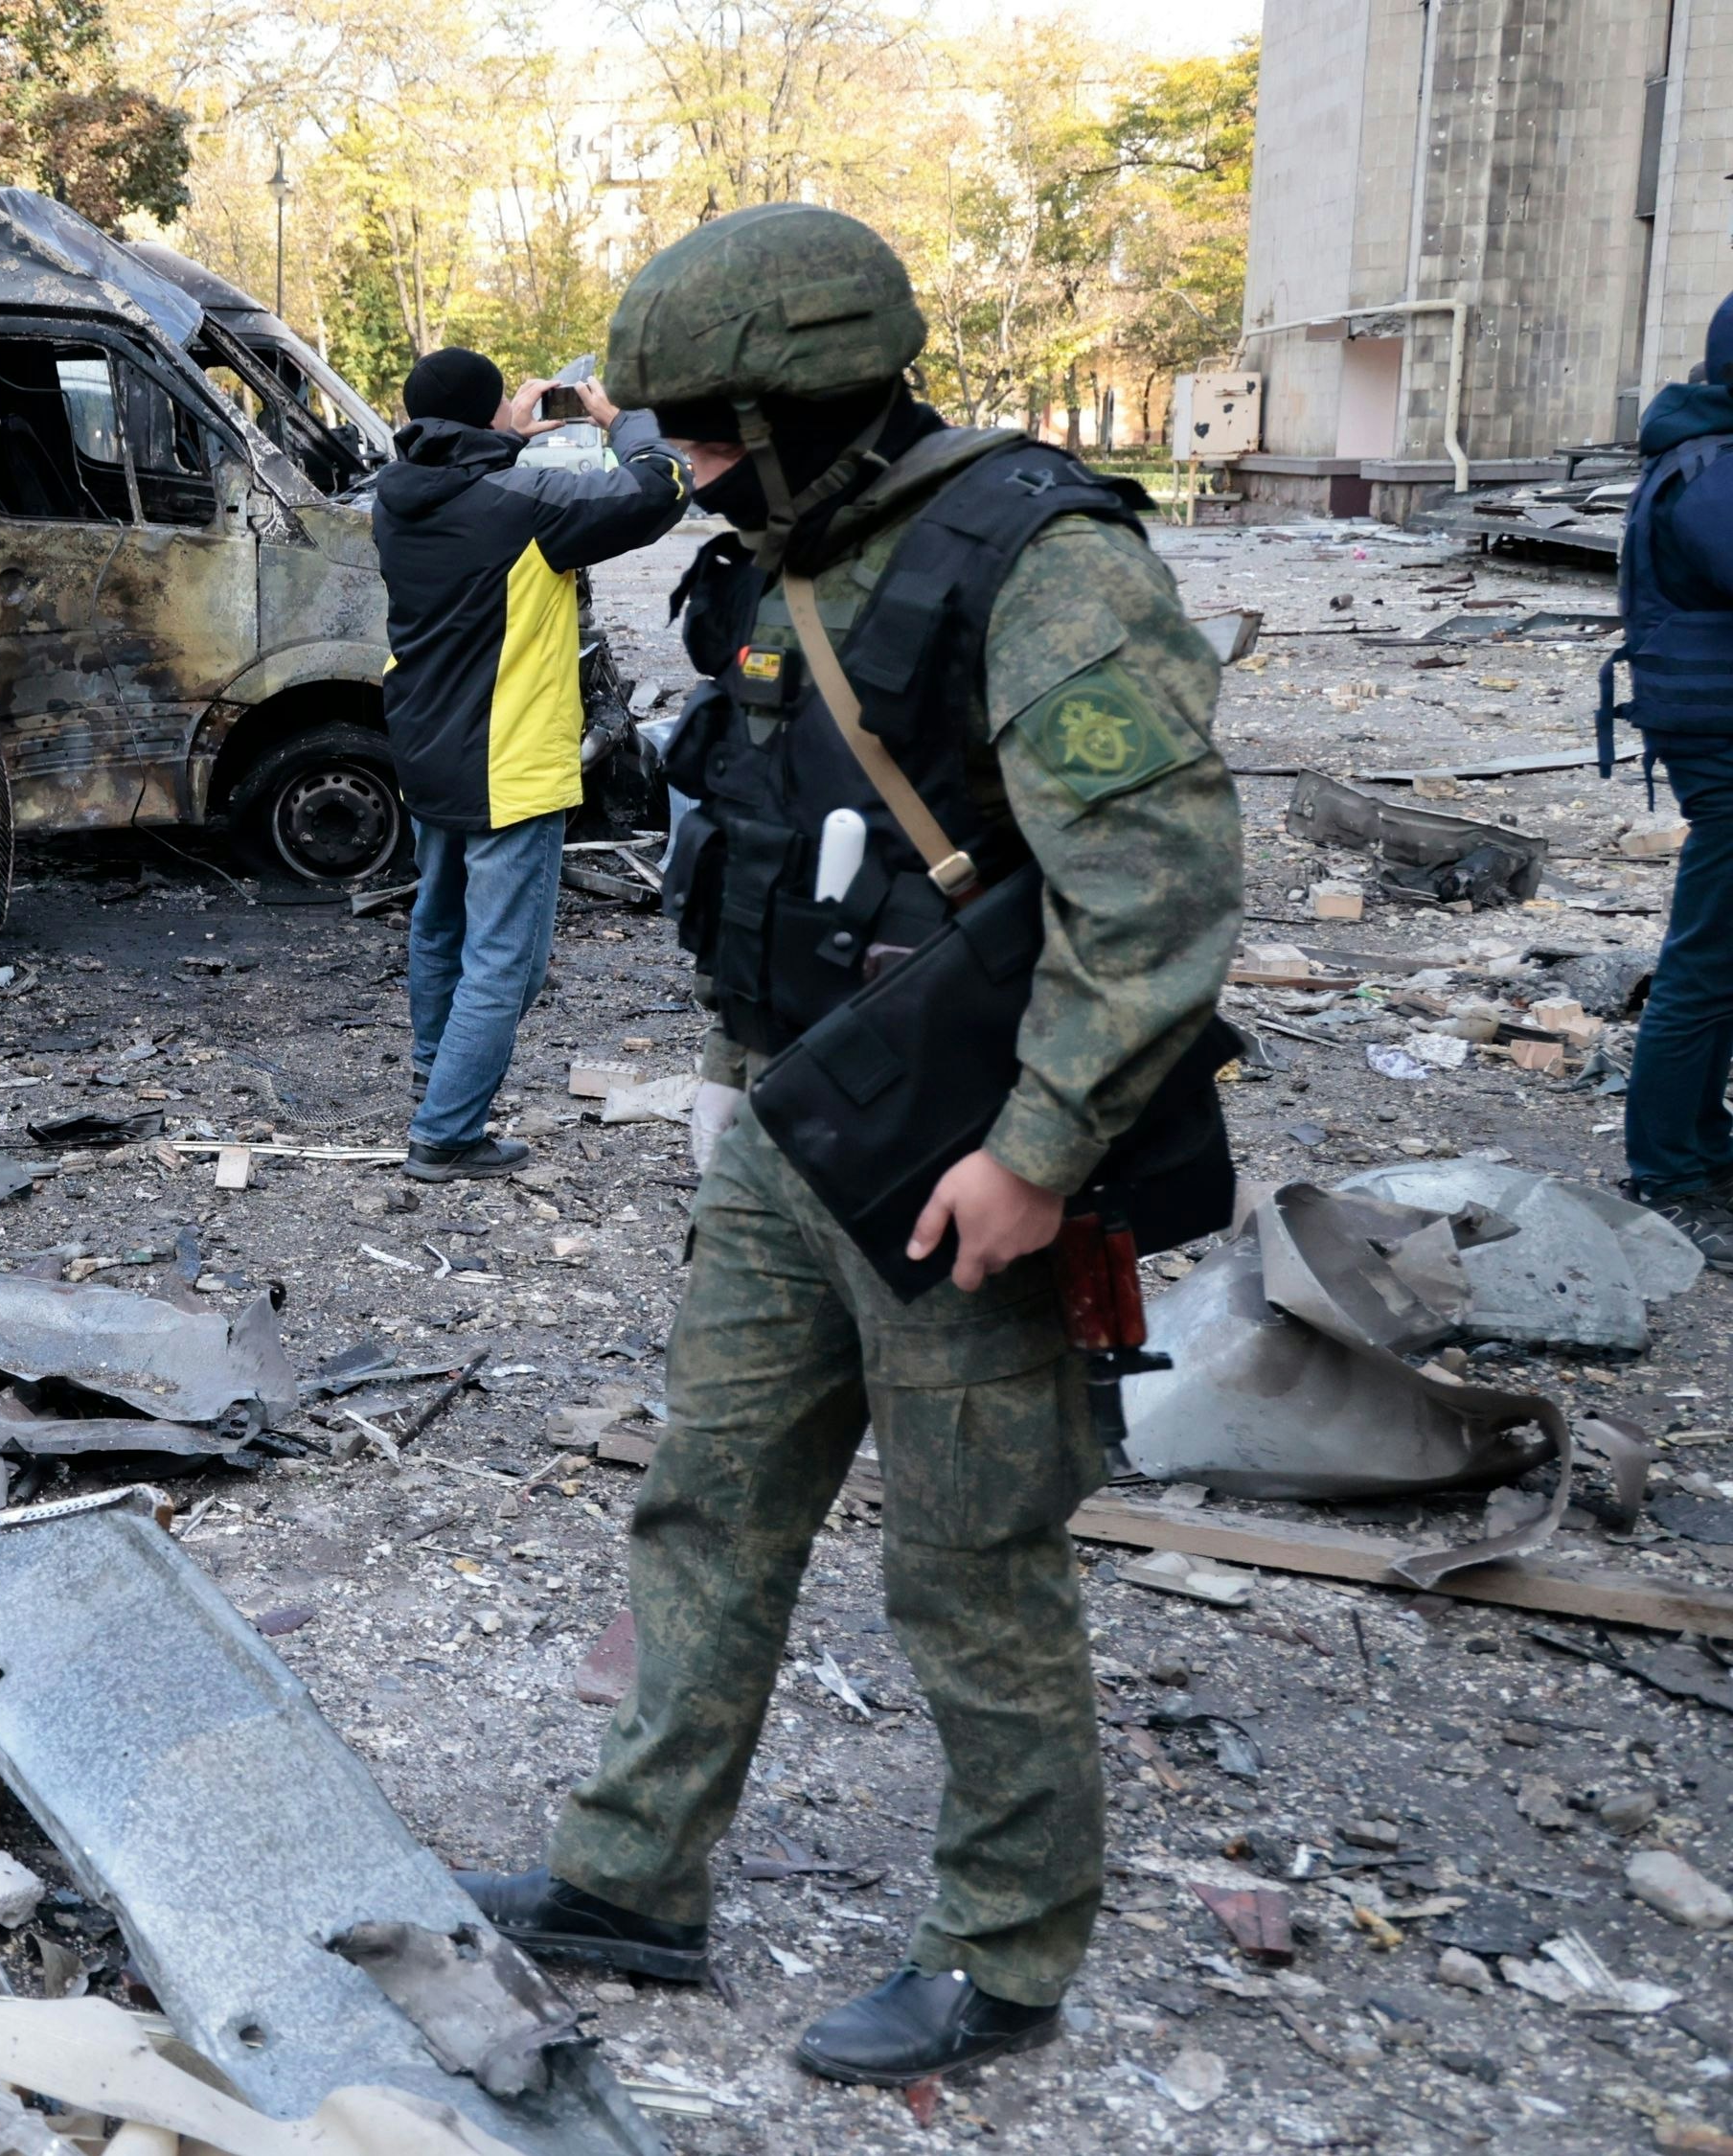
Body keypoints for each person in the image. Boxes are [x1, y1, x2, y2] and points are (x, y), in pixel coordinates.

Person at [450, 203, 1243, 2083]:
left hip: (966, 1163)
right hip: (791, 1129)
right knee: (705, 1504)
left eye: (709, 426)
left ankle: (1001, 1950)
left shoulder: (1033, 558)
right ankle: (628, 1878)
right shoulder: (761, 551)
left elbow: (1150, 892)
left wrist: (1042, 1154)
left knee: (970, 1568)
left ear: (809, 403)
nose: (681, 464)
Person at [371, 347, 689, 1180]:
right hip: (506, 757)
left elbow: (471, 485)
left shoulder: (396, 497)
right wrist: (623, 421)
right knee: (508, 958)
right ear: (486, 417)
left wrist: (499, 432)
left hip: (426, 748)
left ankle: (431, 1077)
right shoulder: (526, 504)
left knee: (439, 923)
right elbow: (660, 488)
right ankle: (447, 1132)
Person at [1606, 292, 1733, 1263]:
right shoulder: (1708, 473)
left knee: (1722, 958)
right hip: (1719, 738)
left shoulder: (1706, 456)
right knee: (1704, 959)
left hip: (1712, 728)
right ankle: (1666, 1170)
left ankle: (1699, 1143)